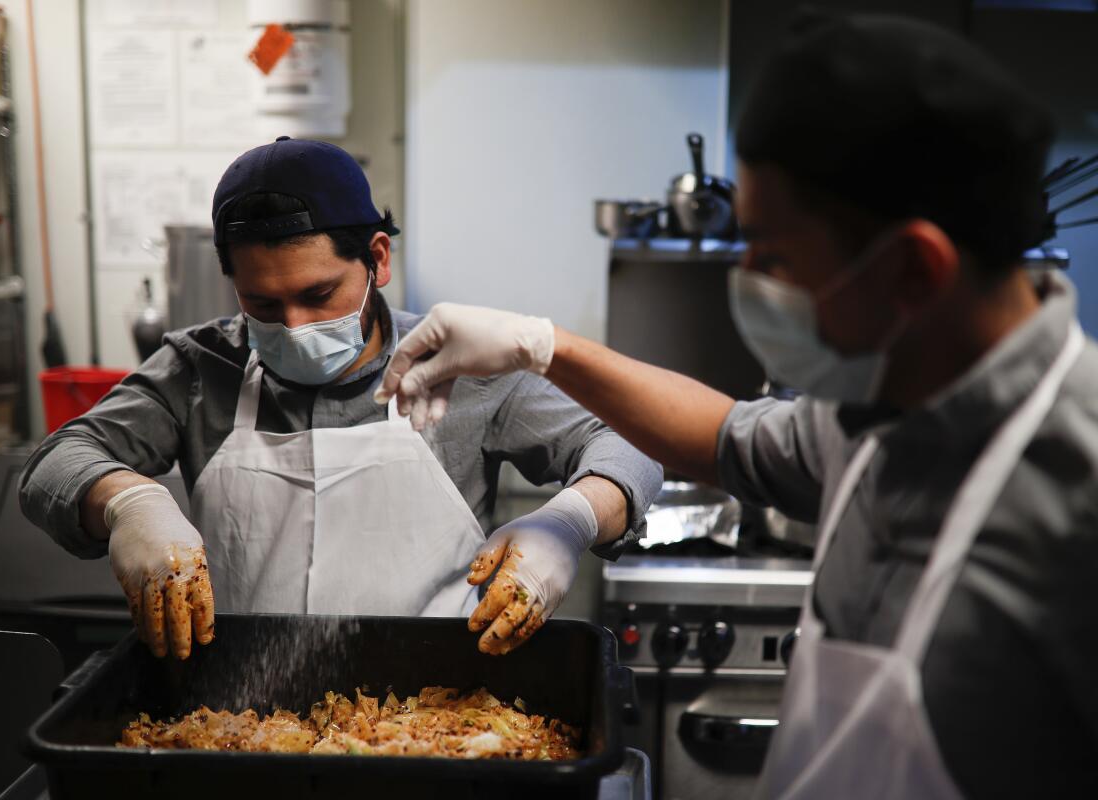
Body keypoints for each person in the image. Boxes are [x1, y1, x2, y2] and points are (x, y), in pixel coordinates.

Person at [374, 13, 1098, 800]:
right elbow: (723, 438)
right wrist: (543, 346)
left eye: (774, 258)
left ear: (916, 271)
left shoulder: (1075, 491)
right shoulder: (878, 407)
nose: (747, 283)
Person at [19, 138, 661, 662]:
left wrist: (566, 525)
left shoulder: (460, 364)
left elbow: (627, 445)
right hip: (241, 720)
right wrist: (130, 502)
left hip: (431, 720)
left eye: (319, 295)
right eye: (262, 304)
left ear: (377, 259)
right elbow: (56, 461)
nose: (294, 325)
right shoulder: (199, 368)